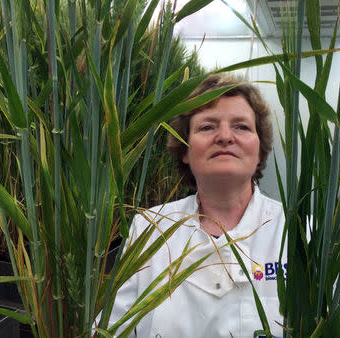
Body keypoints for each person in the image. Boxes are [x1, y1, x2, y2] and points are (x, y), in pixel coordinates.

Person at [109, 74, 286, 337]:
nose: (225, 136)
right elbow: (112, 329)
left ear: (260, 149)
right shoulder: (149, 229)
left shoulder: (299, 231)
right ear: (184, 149)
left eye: (241, 127)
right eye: (207, 127)